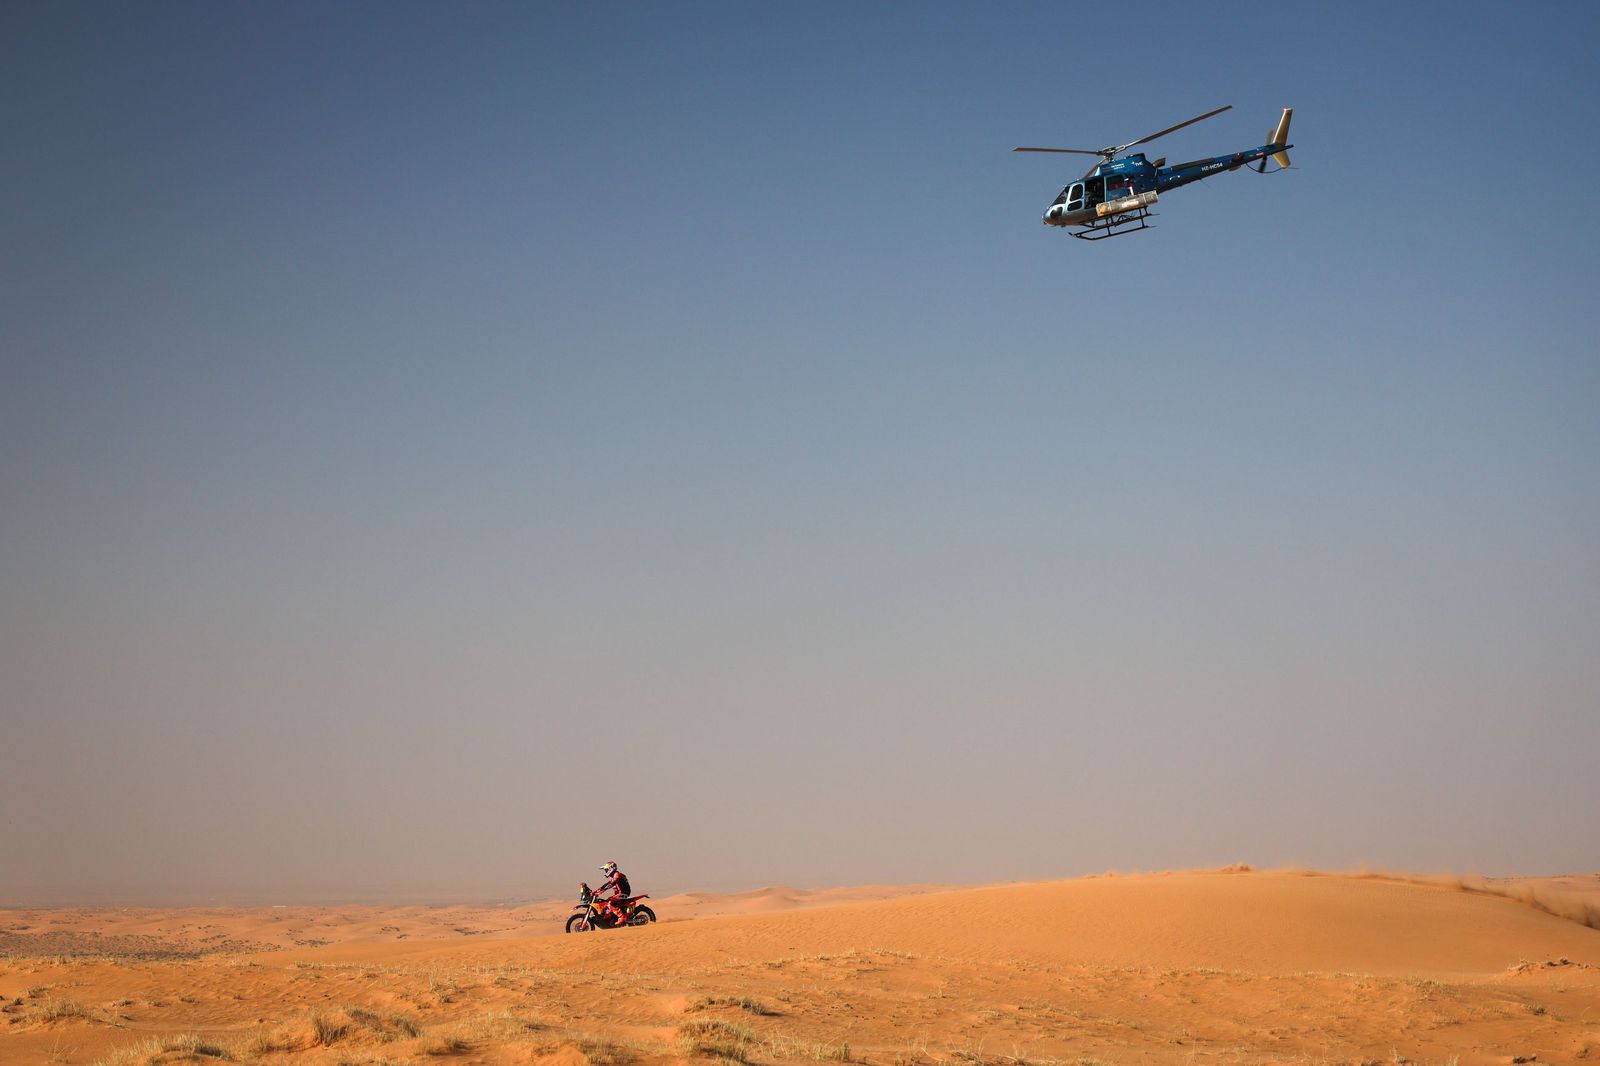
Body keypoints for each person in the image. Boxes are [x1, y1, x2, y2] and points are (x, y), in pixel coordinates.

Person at [593, 860, 632, 926]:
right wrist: (597, 891)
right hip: (620, 893)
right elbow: (606, 884)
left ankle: (621, 917)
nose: (605, 871)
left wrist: (602, 891)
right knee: (606, 901)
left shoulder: (617, 874)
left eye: (606, 869)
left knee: (610, 903)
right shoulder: (614, 875)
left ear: (610, 868)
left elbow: (611, 884)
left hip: (623, 893)